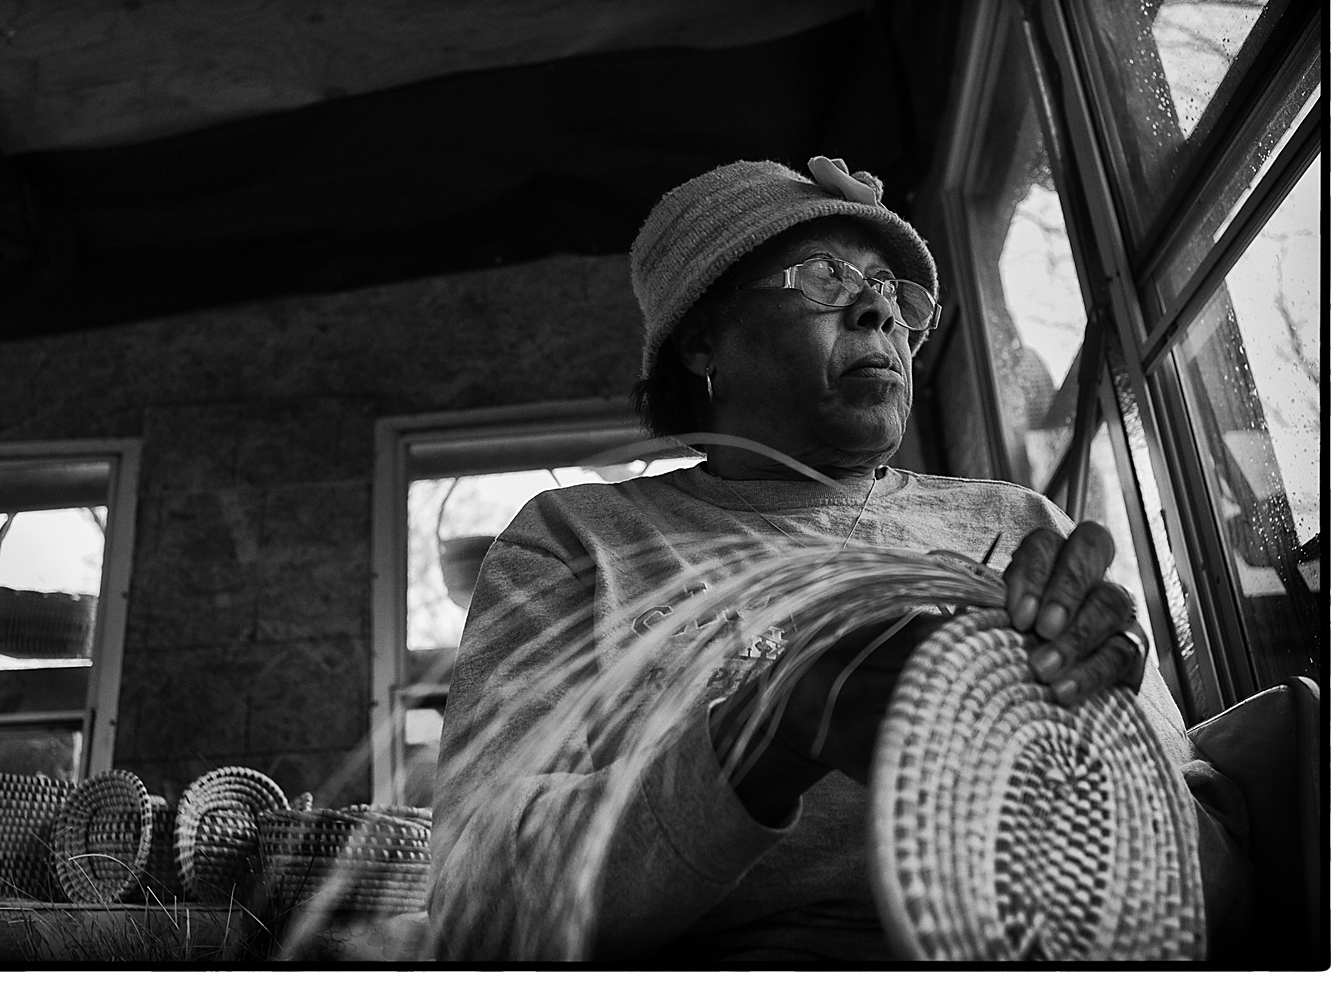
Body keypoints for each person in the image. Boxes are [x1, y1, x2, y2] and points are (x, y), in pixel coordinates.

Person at [427, 157, 1250, 961]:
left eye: (894, 290)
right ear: (703, 338)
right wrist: (766, 732)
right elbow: (478, 911)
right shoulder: (580, 539)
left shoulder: (1016, 521)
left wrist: (1094, 740)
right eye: (826, 275)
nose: (880, 312)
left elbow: (1212, 892)